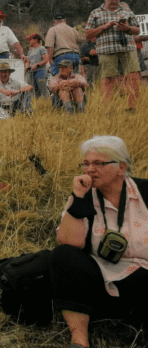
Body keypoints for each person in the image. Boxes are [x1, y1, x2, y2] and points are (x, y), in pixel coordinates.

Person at [52, 136, 148, 348]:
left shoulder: (145, 193)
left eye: (98, 163)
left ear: (121, 167)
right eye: (86, 163)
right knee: (63, 255)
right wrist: (77, 198)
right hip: (99, 280)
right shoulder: (84, 196)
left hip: (142, 278)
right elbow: (69, 242)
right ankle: (79, 341)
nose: (90, 169)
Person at [84, 0, 141, 111]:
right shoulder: (95, 13)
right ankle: (109, 109)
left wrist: (127, 28)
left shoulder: (126, 10)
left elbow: (137, 30)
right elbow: (88, 34)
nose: (115, 1)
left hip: (128, 49)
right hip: (106, 50)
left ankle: (132, 107)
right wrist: (104, 27)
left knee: (133, 76)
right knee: (108, 78)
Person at [45, 12, 83, 76]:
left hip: (61, 56)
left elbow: (50, 46)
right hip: (75, 56)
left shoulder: (52, 29)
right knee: (74, 80)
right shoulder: (72, 29)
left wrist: (50, 60)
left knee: (59, 80)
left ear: (54, 21)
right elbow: (80, 40)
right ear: (65, 20)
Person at [25, 34, 50, 98]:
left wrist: (37, 65)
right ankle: (37, 105)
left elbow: (46, 59)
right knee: (34, 91)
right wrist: (27, 66)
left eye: (30, 40)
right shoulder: (30, 51)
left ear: (36, 40)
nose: (29, 41)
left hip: (41, 71)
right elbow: (27, 61)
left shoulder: (42, 48)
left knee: (43, 89)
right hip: (32, 72)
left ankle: (47, 104)